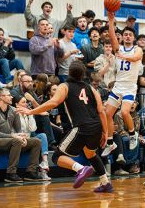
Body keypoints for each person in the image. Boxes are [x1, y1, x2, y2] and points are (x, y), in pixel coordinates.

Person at [17, 60, 113, 192]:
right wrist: (105, 133)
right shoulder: (91, 88)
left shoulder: (65, 86)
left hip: (81, 127)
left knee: (56, 157)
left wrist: (31, 111)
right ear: (83, 74)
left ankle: (80, 168)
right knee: (90, 153)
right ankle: (105, 183)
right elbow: (101, 111)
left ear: (69, 72)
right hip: (96, 127)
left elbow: (54, 102)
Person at [104, 12, 143, 154]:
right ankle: (109, 142)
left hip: (130, 87)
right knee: (107, 114)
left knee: (125, 112)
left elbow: (136, 57)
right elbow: (112, 35)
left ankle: (133, 134)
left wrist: (123, 56)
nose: (127, 36)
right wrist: (111, 19)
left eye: (130, 35)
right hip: (118, 85)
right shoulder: (118, 48)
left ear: (133, 38)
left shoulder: (137, 49)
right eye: (125, 34)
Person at [0, 88, 42, 182]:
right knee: (16, 140)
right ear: (1, 97)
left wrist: (23, 137)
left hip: (10, 141)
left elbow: (19, 130)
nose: (11, 96)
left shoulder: (14, 110)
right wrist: (15, 136)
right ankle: (11, 173)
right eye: (8, 95)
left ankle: (31, 172)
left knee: (36, 141)